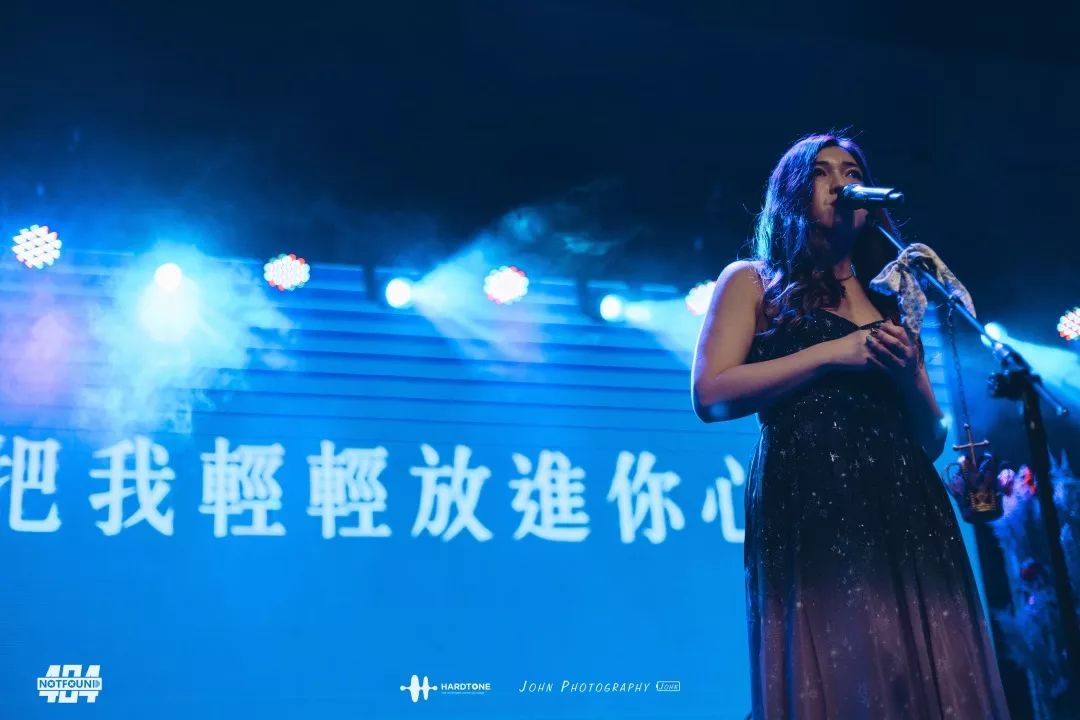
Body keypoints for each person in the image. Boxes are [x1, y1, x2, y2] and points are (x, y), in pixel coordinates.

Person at [692, 133, 1011, 718]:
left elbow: (931, 438)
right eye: (822, 171)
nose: (840, 182)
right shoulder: (753, 280)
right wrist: (829, 354)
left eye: (853, 171)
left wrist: (911, 376)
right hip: (812, 492)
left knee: (919, 664)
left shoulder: (889, 298)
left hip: (906, 499)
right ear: (793, 193)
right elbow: (710, 394)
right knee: (847, 660)